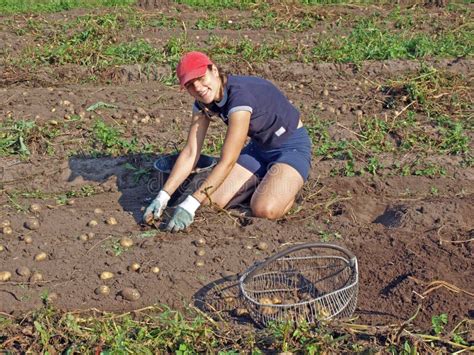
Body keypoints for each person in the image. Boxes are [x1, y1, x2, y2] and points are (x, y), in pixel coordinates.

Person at [143, 51, 312, 232]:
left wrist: (189, 205)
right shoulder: (202, 103)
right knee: (209, 202)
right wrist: (163, 196)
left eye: (201, 78)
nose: (198, 88)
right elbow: (191, 151)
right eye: (190, 85)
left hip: (290, 148)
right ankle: (267, 179)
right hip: (258, 150)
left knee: (264, 209)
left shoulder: (240, 98)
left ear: (214, 70)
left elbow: (228, 160)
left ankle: (286, 188)